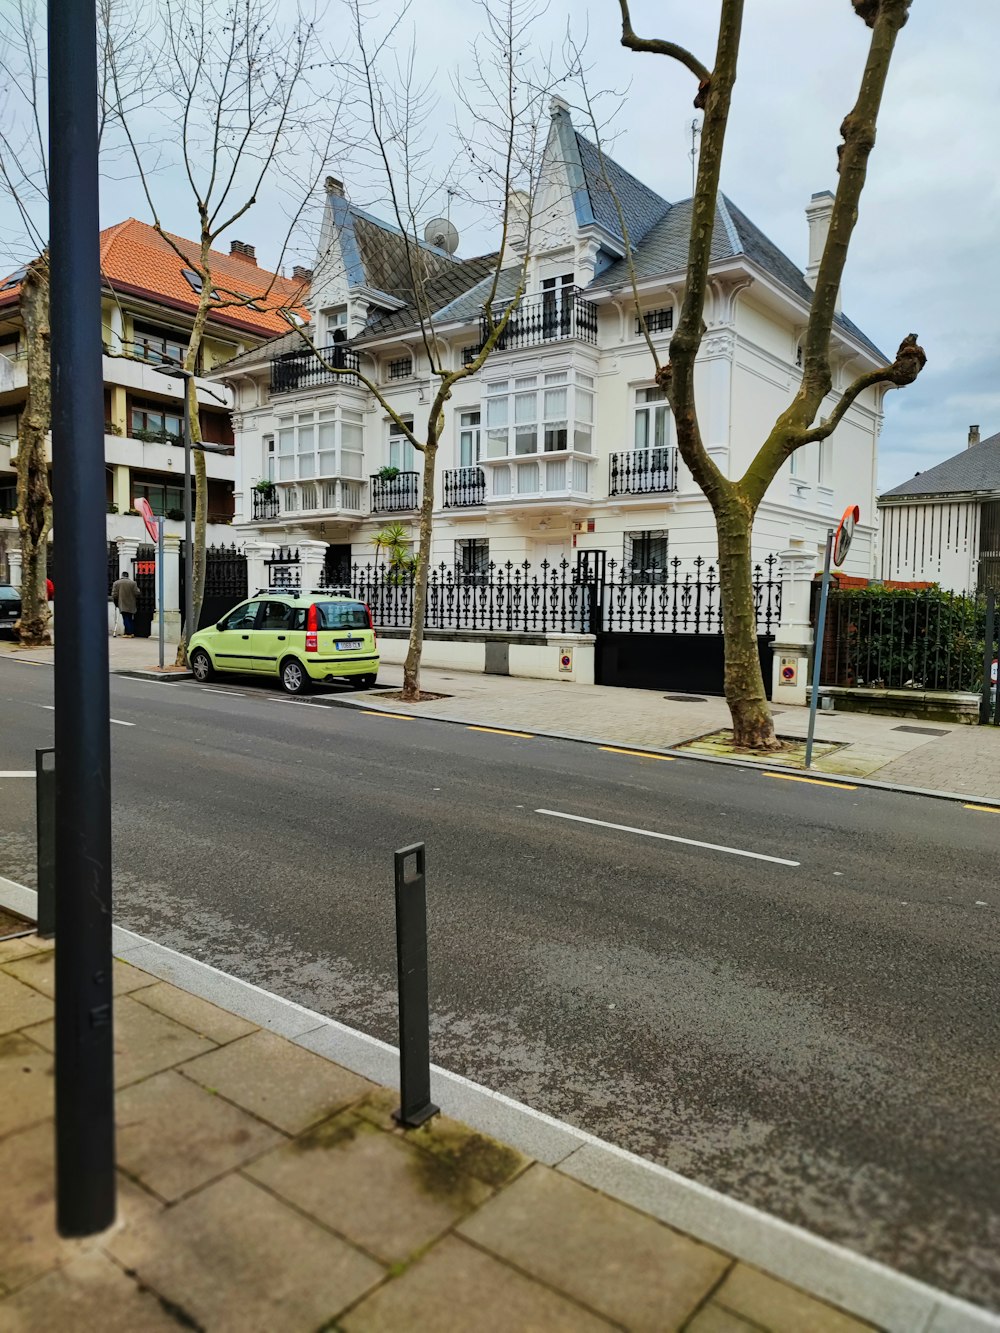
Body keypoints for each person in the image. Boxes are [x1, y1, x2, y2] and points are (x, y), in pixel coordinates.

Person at [111, 569, 140, 637]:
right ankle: (131, 632)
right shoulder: (133, 583)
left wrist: (116, 601)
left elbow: (114, 594)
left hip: (122, 602)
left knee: (125, 617)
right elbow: (137, 592)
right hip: (131, 603)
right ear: (127, 576)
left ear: (122, 576)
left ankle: (128, 633)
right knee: (130, 617)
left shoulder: (116, 583)